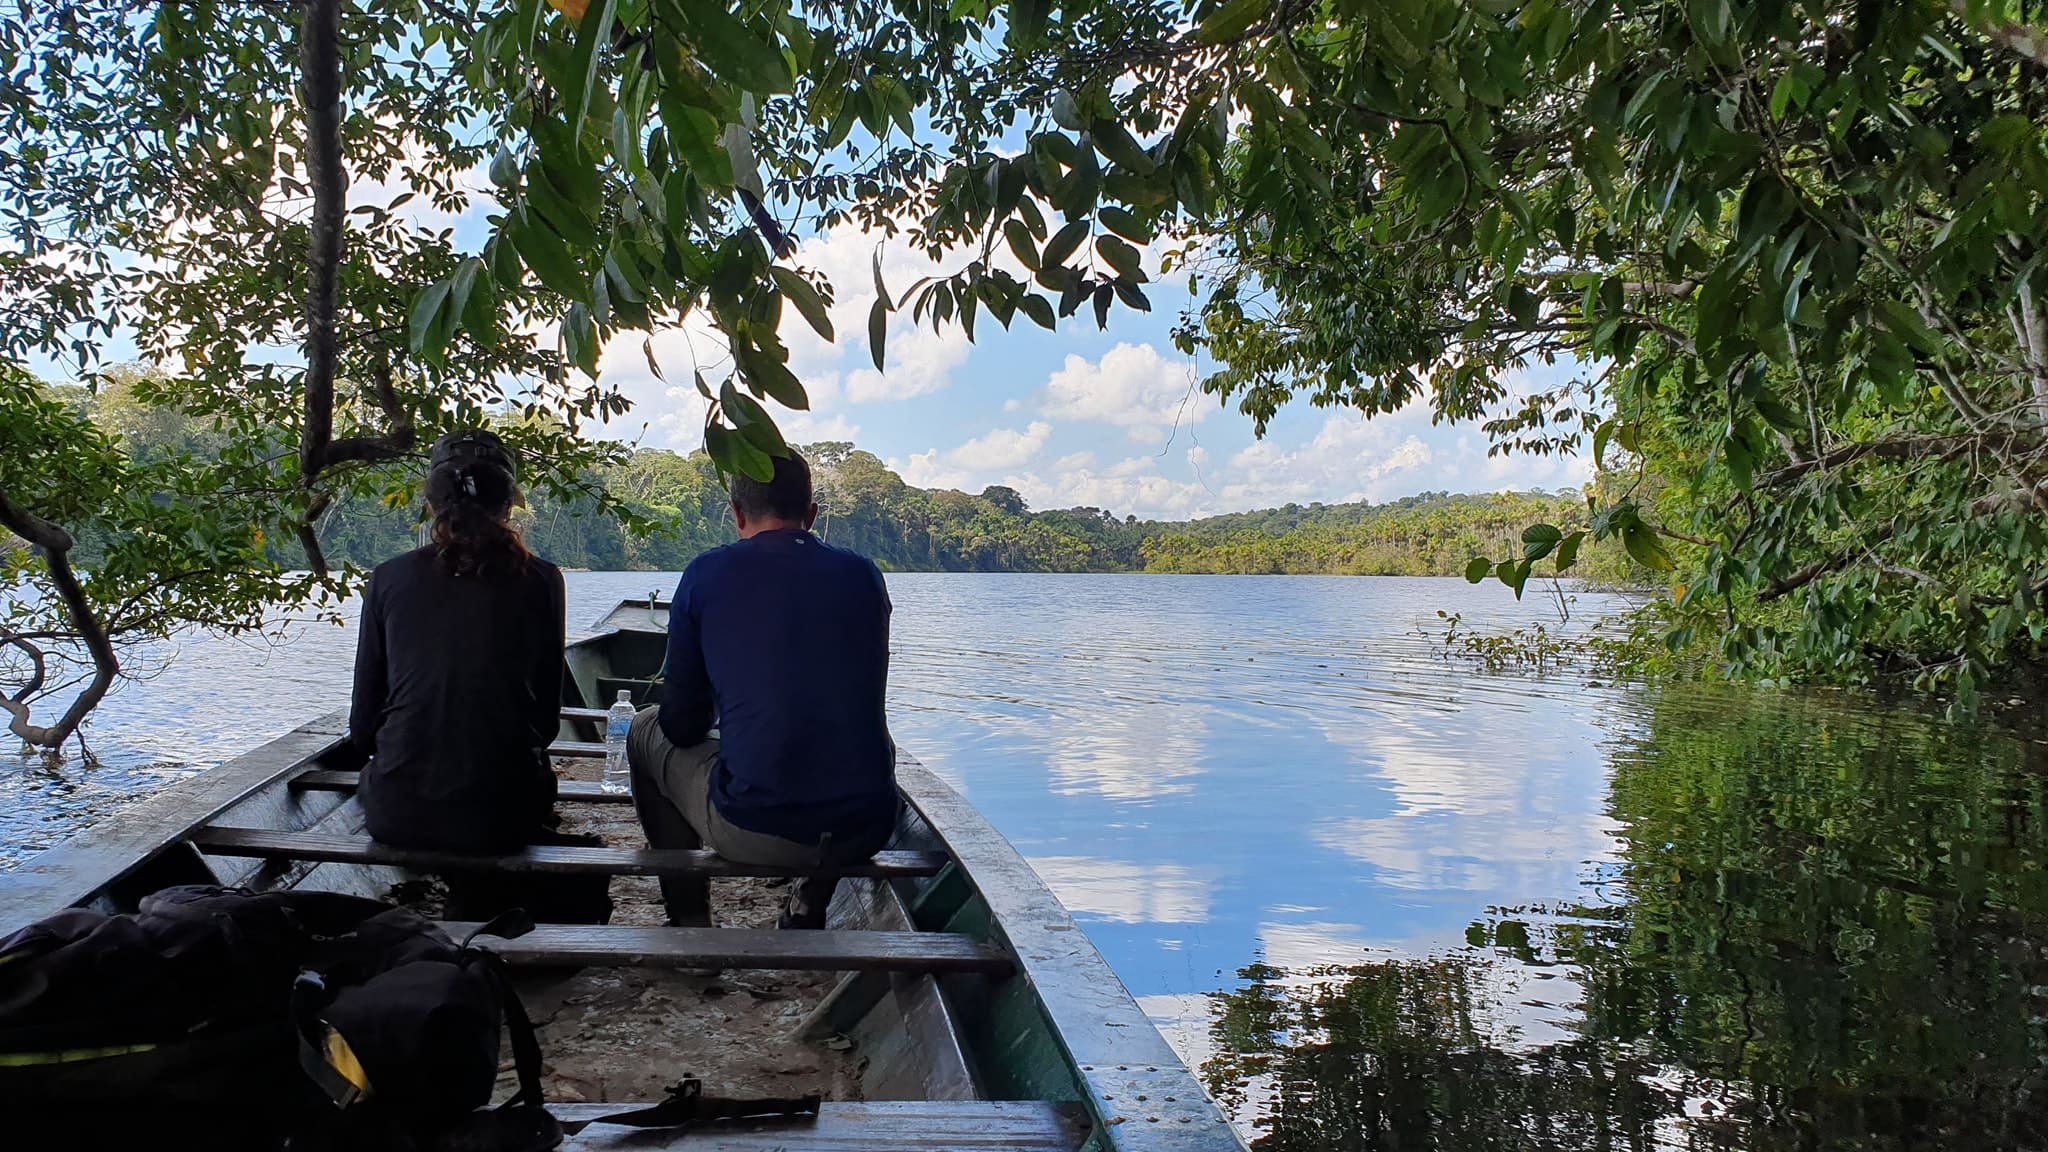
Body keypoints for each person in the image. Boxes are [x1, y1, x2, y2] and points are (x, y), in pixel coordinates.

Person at [344, 428, 609, 923]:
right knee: (506, 786)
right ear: (510, 504)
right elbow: (546, 725)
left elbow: (362, 732)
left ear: (431, 504)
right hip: (504, 816)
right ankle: (481, 894)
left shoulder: (387, 578)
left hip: (398, 815)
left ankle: (465, 894)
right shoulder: (542, 580)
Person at [629, 449, 897, 930]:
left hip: (757, 829)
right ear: (811, 515)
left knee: (644, 729)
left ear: (736, 514)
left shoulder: (705, 575)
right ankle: (808, 906)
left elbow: (682, 724)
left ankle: (689, 919)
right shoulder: (865, 575)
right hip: (869, 826)